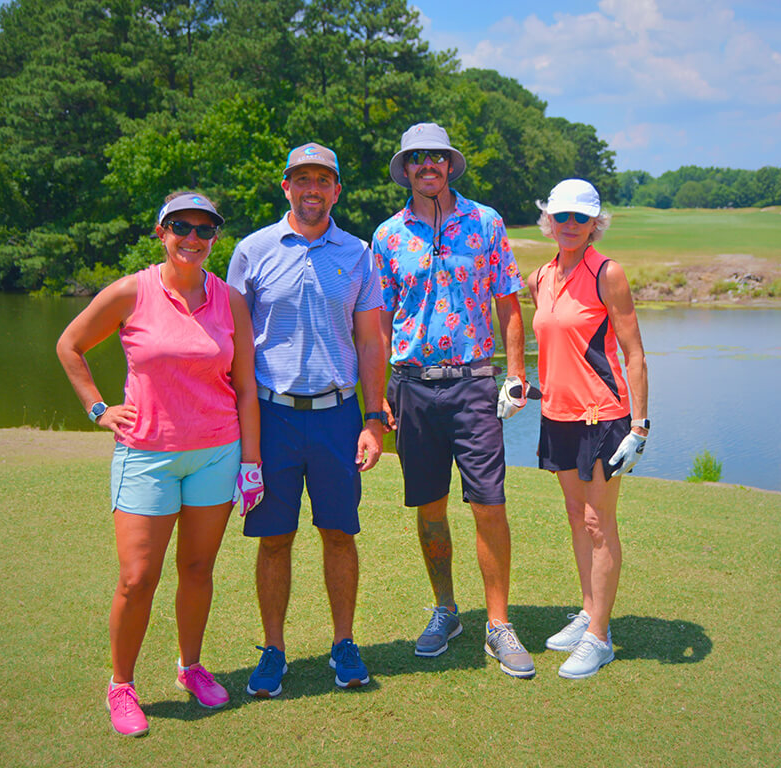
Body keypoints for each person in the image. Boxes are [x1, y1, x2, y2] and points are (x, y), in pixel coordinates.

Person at [56, 191, 262, 737]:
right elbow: (70, 345)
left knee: (196, 570)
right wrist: (98, 408)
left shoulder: (230, 300)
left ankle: (190, 667)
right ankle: (121, 685)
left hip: (216, 453)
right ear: (161, 232)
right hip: (147, 455)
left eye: (204, 229)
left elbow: (245, 387)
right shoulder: (133, 291)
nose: (193, 239)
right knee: (136, 578)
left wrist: (251, 461)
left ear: (214, 237)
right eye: (181, 227)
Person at [373, 122, 537, 678]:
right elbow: (378, 322)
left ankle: (498, 623)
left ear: (449, 164)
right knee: (430, 506)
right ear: (406, 168)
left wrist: (517, 374)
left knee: (489, 504)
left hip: (472, 383)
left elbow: (508, 302)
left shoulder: (485, 222)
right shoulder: (387, 236)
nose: (428, 165)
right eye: (417, 157)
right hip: (412, 385)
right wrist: (377, 395)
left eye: (436, 156)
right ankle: (446, 610)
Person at [227, 142, 386, 696]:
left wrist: (373, 419)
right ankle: (274, 650)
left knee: (339, 533)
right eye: (302, 179)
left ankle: (344, 644)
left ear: (336, 190)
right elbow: (234, 343)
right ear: (286, 187)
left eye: (322, 179)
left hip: (338, 415)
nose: (312, 189)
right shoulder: (252, 251)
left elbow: (371, 341)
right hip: (272, 417)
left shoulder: (359, 253)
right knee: (274, 538)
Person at [526, 178, 649, 679]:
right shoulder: (539, 277)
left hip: (603, 417)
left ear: (596, 223)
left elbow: (634, 353)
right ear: (548, 220)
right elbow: (558, 349)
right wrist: (522, 386)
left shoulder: (607, 273)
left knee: (599, 524)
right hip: (558, 416)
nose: (571, 225)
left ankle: (600, 637)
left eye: (581, 217)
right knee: (577, 518)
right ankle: (588, 611)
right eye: (562, 216)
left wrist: (639, 425)